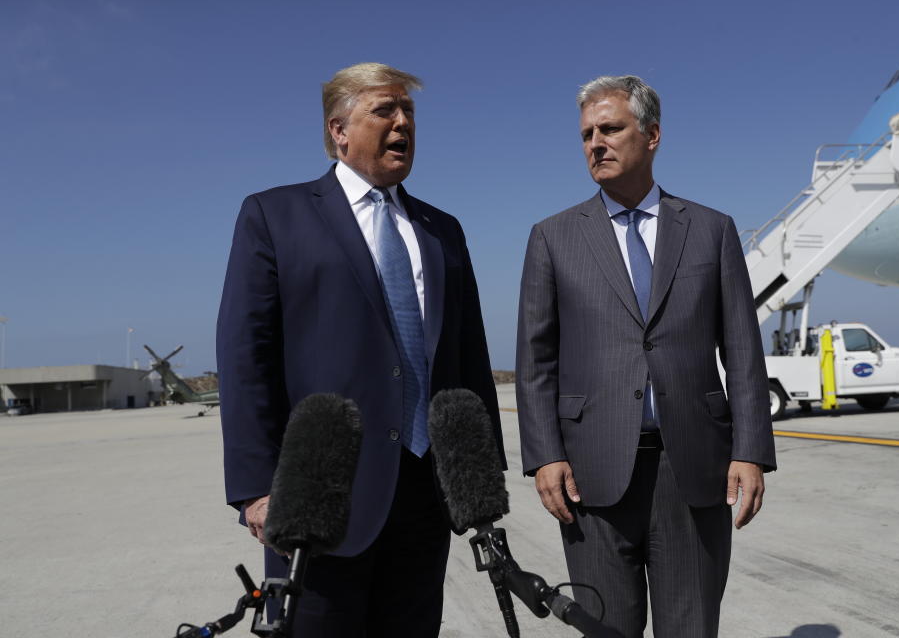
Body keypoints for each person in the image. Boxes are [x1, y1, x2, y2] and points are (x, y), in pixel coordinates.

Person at [216, 62, 504, 637]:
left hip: (425, 495)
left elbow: (469, 355)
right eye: (386, 110)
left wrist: (479, 476)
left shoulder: (442, 229)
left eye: (410, 113)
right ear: (338, 129)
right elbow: (246, 354)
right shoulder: (275, 215)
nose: (403, 123)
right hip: (319, 498)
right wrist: (255, 489)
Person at [516, 75, 776, 637]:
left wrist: (752, 449)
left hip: (695, 470)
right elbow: (536, 361)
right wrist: (543, 456)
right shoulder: (553, 237)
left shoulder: (711, 230)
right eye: (586, 134)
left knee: (691, 628)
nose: (595, 144)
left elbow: (743, 352)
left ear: (652, 135)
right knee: (607, 630)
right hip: (591, 475)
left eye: (610, 129)